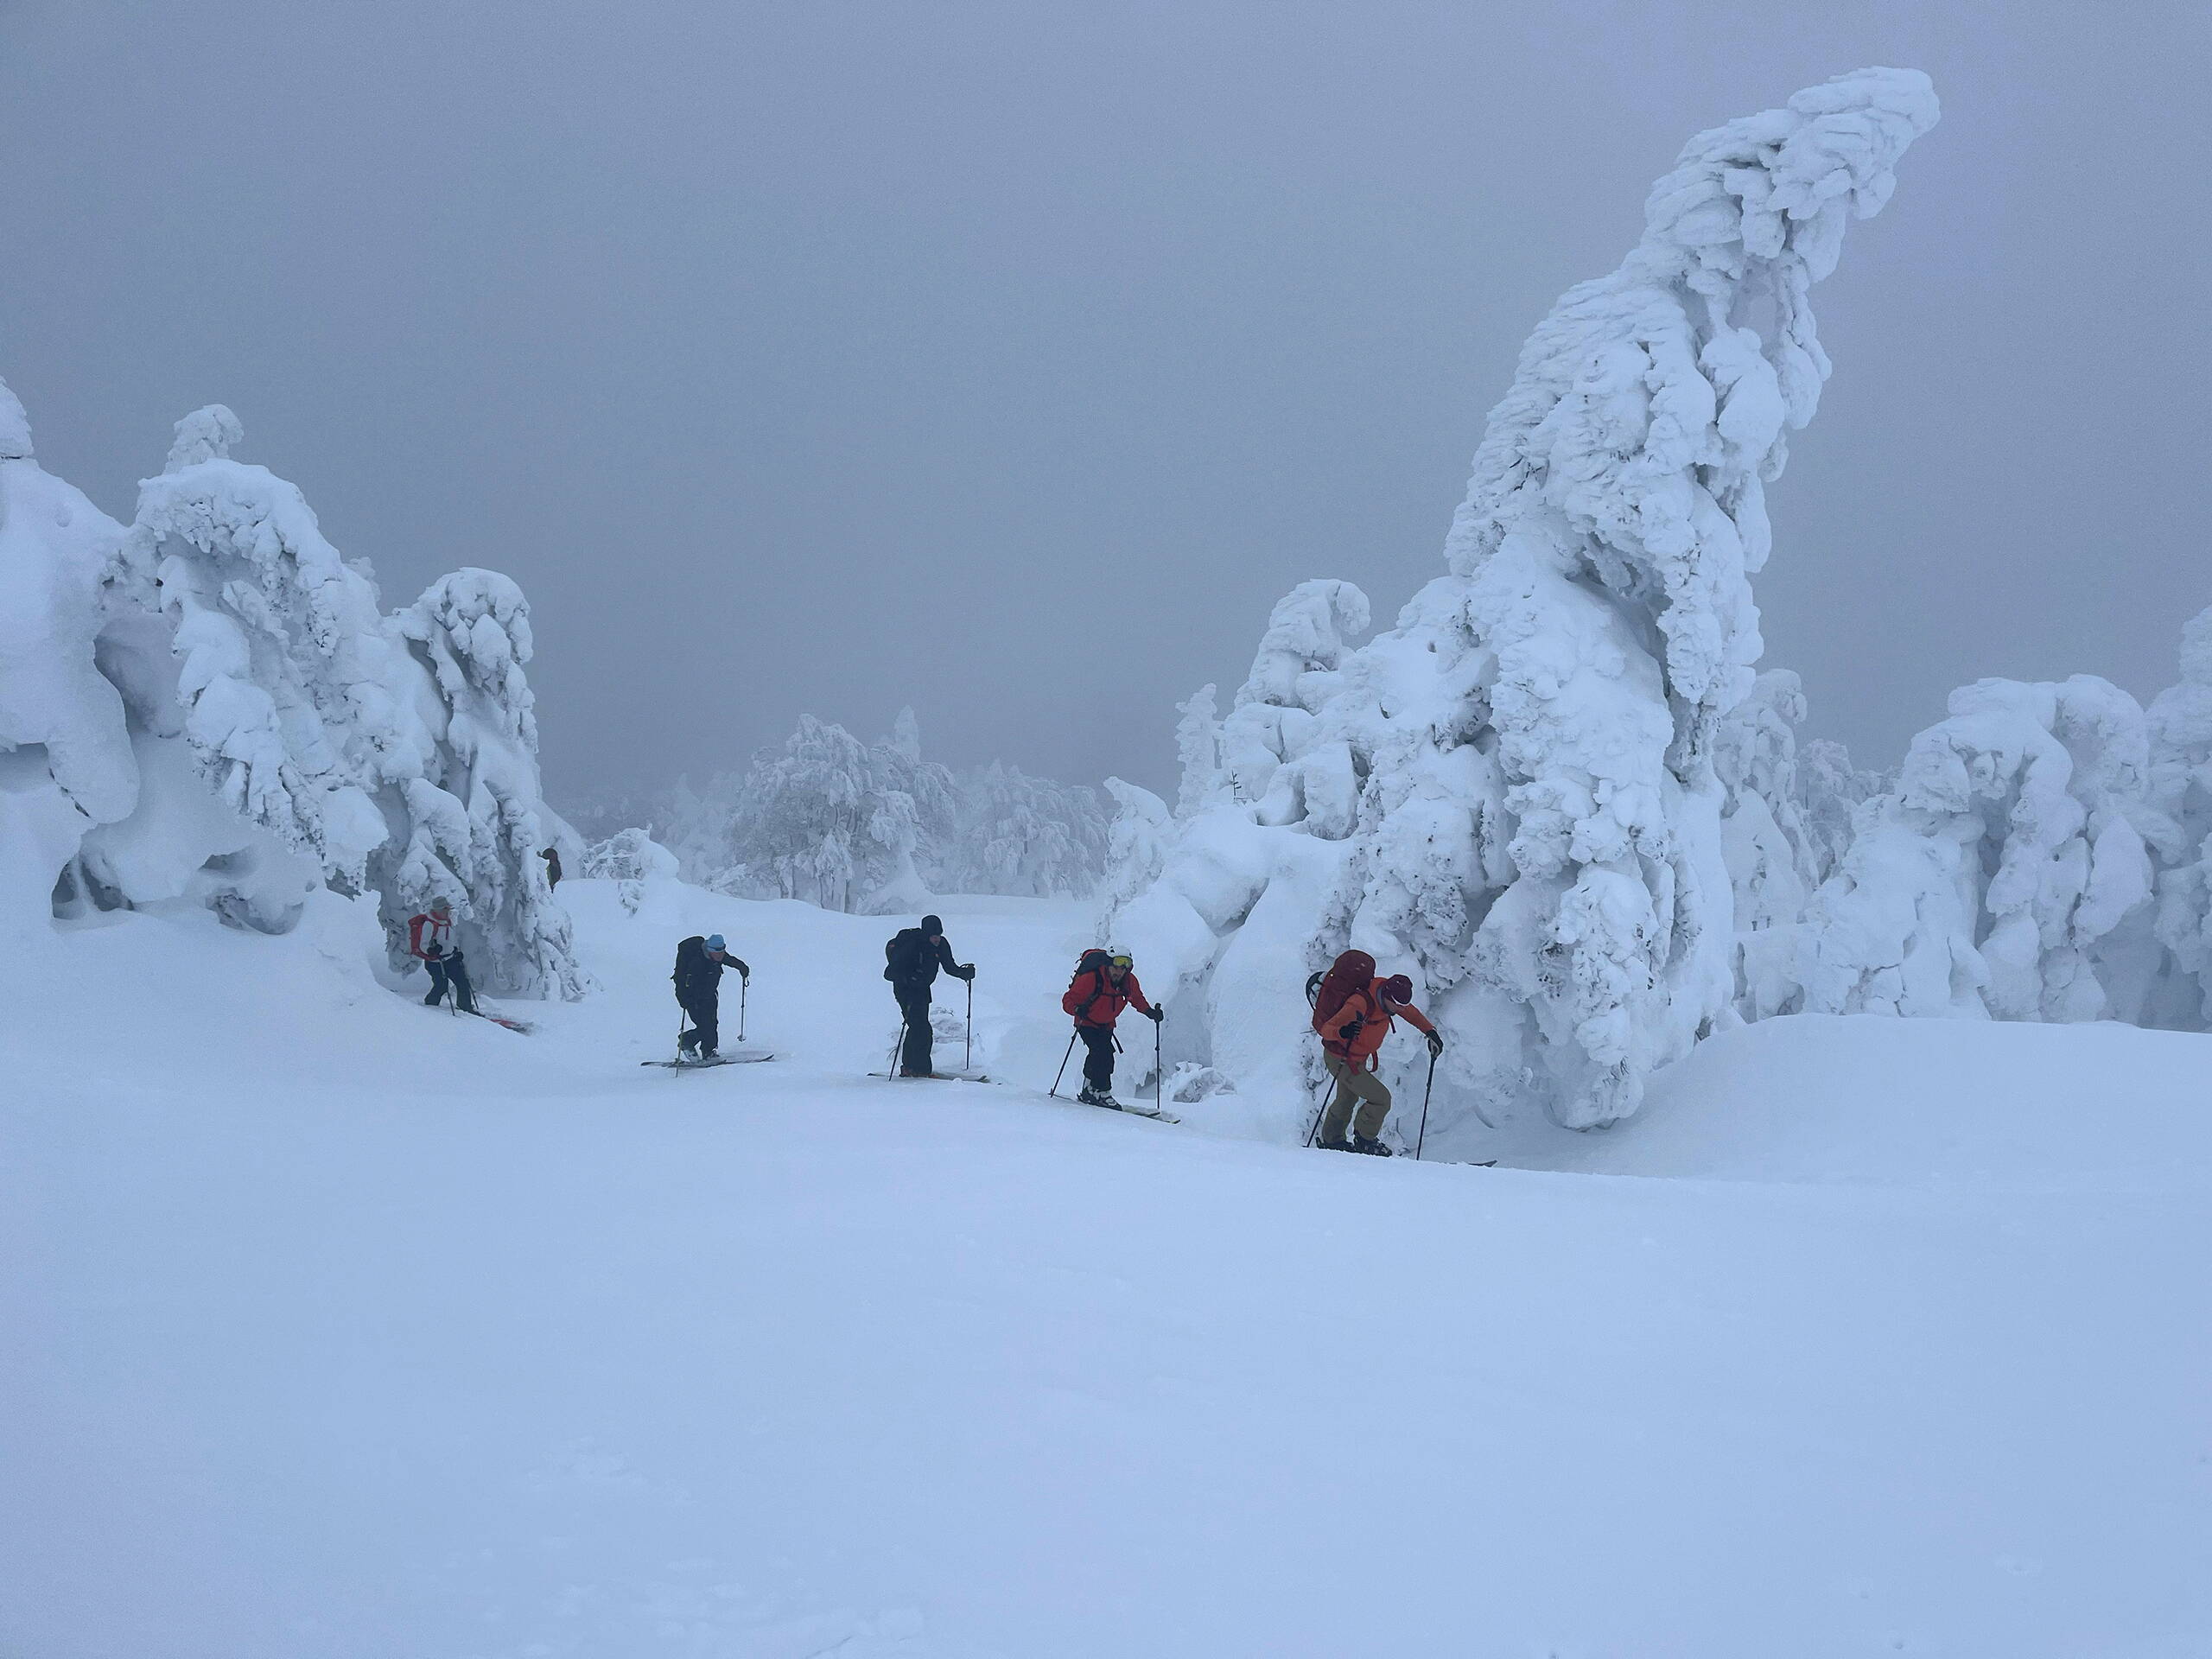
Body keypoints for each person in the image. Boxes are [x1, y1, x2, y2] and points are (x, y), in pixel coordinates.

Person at [1312, 951, 1442, 1156]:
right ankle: (1365, 1140)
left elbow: (1411, 1012)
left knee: (1346, 1100)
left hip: (1357, 1059)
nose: (1400, 1010)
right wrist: (1342, 1031)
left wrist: (1430, 1032)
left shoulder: (1390, 997)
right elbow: (1327, 1030)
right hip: (1342, 1059)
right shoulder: (1360, 1003)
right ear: (1388, 997)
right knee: (1381, 1098)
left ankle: (1332, 1141)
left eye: (1401, 1006)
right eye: (1397, 1006)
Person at [1061, 947, 1161, 1108]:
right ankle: (1102, 1092)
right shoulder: (1091, 979)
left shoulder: (1129, 981)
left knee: (1103, 1054)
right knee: (1102, 1053)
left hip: (1106, 1024)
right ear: (1108, 964)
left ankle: (1090, 1090)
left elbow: (1136, 998)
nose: (1118, 971)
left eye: (1123, 968)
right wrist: (1077, 1009)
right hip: (1086, 1022)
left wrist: (1150, 1012)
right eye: (1115, 967)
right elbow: (1068, 1000)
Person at [882, 913, 974, 1077]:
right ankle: (919, 1069)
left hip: (922, 990)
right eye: (933, 936)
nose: (937, 939)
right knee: (921, 1028)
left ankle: (911, 1067)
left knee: (919, 1027)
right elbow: (889, 973)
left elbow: (949, 967)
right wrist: (909, 978)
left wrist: (964, 973)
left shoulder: (941, 945)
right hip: (906, 991)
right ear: (926, 934)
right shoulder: (913, 945)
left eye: (939, 935)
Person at [672, 932, 749, 1060]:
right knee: (705, 1026)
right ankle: (687, 1041)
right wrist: (683, 998)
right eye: (717, 953)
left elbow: (729, 960)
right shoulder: (696, 961)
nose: (720, 956)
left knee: (712, 1024)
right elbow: (680, 980)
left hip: (709, 995)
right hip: (693, 998)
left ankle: (708, 1052)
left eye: (722, 952)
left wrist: (742, 967)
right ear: (709, 950)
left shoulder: (718, 955)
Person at [407, 895, 478, 1014]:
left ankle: (465, 1007)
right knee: (441, 986)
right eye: (445, 909)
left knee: (463, 982)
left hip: (450, 959)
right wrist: (432, 950)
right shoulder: (429, 924)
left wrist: (455, 951)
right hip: (435, 962)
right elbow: (423, 944)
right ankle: (430, 1005)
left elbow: (450, 940)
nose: (448, 911)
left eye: (448, 909)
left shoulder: (446, 922)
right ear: (438, 910)